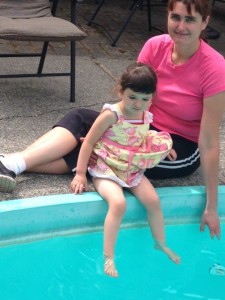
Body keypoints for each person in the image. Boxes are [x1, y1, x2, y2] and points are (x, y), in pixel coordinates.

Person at [1, 0, 225, 241]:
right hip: (141, 126)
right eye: (176, 17)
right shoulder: (155, 46)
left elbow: (209, 141)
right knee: (81, 119)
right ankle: (11, 164)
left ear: (205, 22)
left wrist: (211, 206)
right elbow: (130, 100)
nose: (180, 26)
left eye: (190, 19)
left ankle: (11, 163)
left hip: (177, 147)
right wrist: (106, 131)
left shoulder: (215, 68)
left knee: (100, 155)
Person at [70, 62, 180, 277]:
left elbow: (141, 135)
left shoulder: (144, 115)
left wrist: (165, 147)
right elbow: (89, 142)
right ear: (121, 91)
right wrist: (81, 173)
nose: (138, 104)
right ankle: (108, 256)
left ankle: (160, 242)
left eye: (145, 99)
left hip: (129, 168)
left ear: (152, 97)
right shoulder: (112, 115)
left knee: (153, 201)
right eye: (132, 97)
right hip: (106, 167)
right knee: (118, 203)